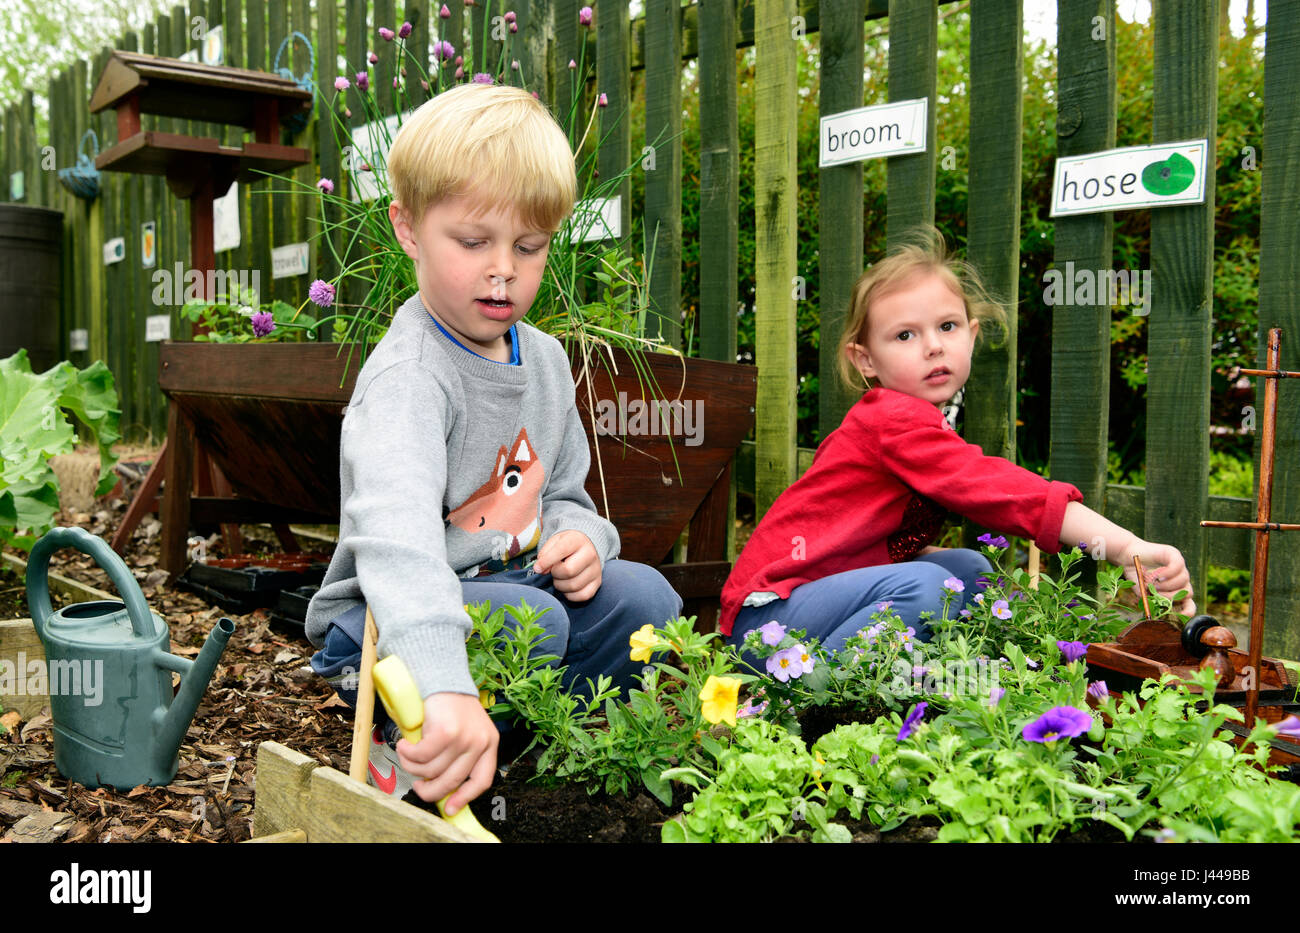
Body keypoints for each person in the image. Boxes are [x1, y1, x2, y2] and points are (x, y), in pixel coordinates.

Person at [304, 83, 681, 815]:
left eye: (529, 246)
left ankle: (529, 755)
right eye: (473, 242)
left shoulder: (541, 361)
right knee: (530, 623)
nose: (503, 268)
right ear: (409, 229)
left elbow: (566, 492)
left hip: (512, 589)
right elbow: (399, 546)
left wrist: (581, 538)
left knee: (646, 597)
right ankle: (418, 761)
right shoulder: (410, 378)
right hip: (384, 627)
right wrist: (442, 679)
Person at [720, 227, 1195, 657]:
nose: (933, 346)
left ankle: (983, 669)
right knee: (926, 588)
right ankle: (806, 699)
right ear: (864, 359)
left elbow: (855, 535)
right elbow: (996, 489)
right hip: (770, 623)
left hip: (816, 603)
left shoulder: (904, 422)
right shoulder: (893, 418)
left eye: (947, 327)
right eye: (904, 334)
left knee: (968, 568)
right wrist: (1125, 546)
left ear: (970, 335)